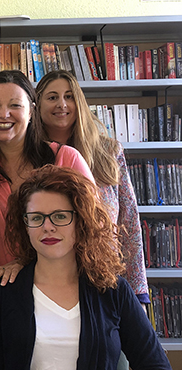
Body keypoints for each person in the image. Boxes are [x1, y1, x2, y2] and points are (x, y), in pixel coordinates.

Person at [0, 165, 176, 370]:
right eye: (36, 217)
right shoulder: (0, 291)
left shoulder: (112, 291)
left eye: (59, 216)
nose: (47, 227)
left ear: (81, 220)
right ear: (25, 225)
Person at [35, 70, 148, 305]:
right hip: (47, 277)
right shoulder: (31, 155)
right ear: (37, 104)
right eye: (52, 97)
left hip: (102, 274)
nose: (62, 104)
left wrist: (138, 290)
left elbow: (129, 220)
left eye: (69, 96)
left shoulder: (108, 151)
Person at [0, 70, 95, 277]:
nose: (4, 114)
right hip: (2, 293)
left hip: (65, 287)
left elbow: (94, 229)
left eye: (15, 105)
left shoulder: (66, 159)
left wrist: (25, 264)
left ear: (31, 111)